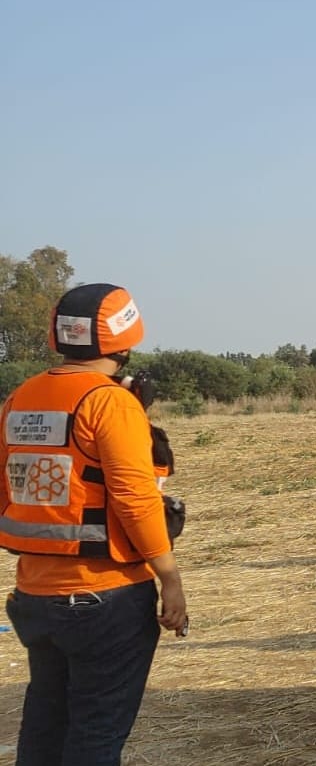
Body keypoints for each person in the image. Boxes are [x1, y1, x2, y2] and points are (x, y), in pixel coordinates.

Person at [0, 283, 188, 764]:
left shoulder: (21, 398)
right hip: (105, 598)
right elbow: (135, 498)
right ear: (126, 339)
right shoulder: (110, 404)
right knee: (96, 735)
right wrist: (169, 578)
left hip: (34, 597)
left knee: (44, 728)